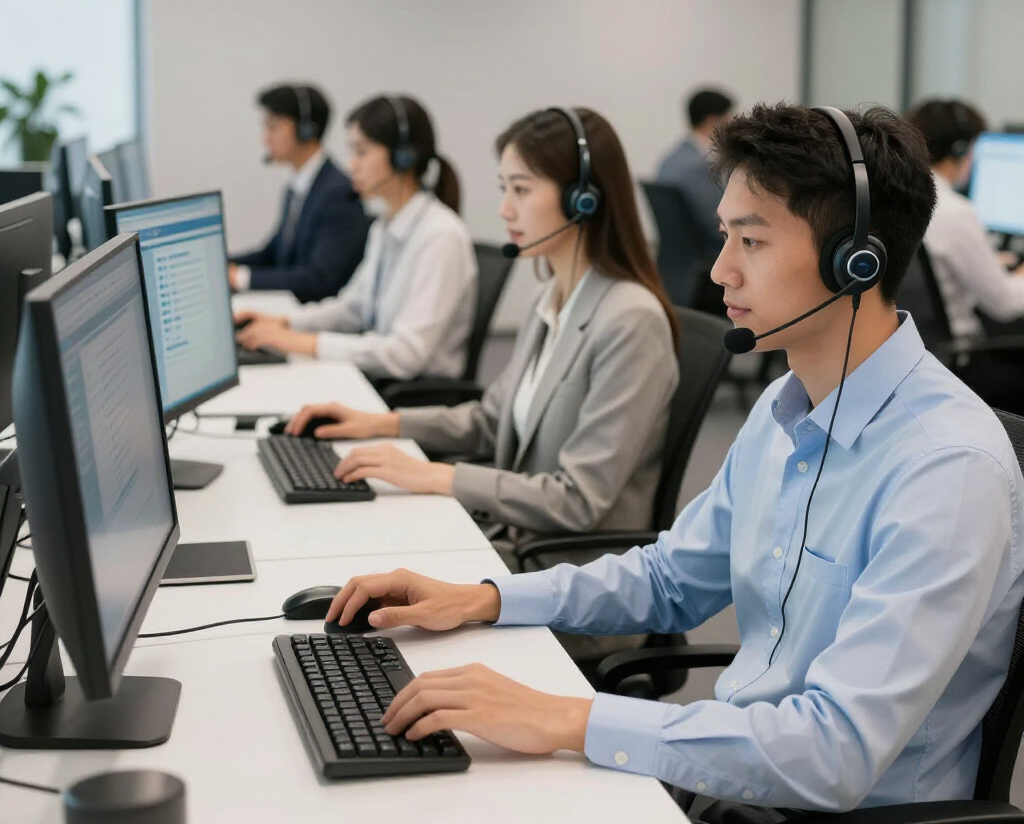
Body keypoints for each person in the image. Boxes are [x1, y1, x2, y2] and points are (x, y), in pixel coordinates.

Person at [322, 104, 1024, 815]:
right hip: (728, 777)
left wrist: (570, 718)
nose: (720, 271)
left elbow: (834, 750)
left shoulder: (947, 471)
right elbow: (670, 579)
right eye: (725, 236)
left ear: (856, 261)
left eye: (750, 241)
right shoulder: (786, 407)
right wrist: (489, 598)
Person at [286, 107, 679, 559]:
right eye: (503, 188)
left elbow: (578, 500)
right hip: (515, 545)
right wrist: (378, 423)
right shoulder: (551, 299)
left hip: (572, 579)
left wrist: (438, 476)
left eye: (521, 189)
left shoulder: (630, 321)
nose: (504, 208)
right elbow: (491, 421)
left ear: (581, 200)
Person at [235, 94, 475, 382]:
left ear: (403, 157)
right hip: (377, 378)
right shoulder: (384, 227)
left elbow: (406, 355)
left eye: (361, 152)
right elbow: (353, 310)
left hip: (411, 396)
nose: (351, 166)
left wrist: (302, 342)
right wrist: (285, 323)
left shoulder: (440, 237)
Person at [910, 98, 1024, 414]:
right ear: (961, 150)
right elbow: (1004, 305)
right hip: (959, 363)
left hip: (915, 357)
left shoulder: (901, 197)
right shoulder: (954, 212)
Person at [228, 83, 371, 303]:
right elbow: (274, 253)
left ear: (306, 130)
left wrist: (242, 278)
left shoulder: (339, 193)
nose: (265, 138)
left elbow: (320, 279)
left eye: (273, 127)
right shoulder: (297, 187)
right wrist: (221, 263)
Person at [656, 87, 734, 252]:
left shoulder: (669, 160)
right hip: (708, 255)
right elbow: (718, 224)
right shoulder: (698, 167)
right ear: (713, 120)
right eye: (729, 118)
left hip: (676, 257)